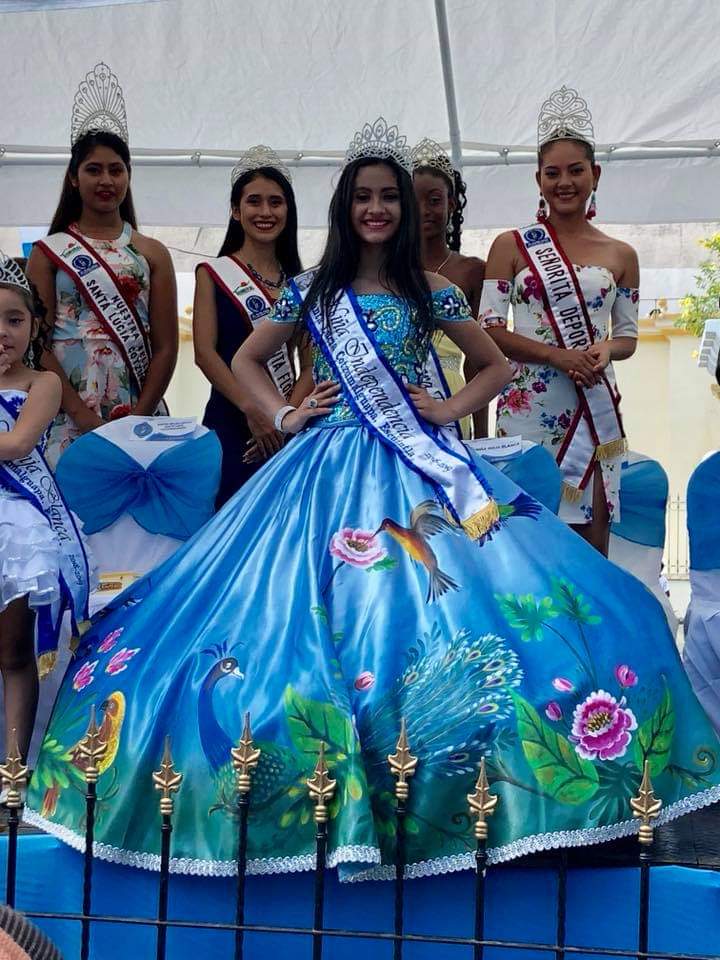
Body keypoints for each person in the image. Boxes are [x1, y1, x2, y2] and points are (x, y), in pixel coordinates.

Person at [25, 119, 720, 882]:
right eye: (364, 197)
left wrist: (447, 410)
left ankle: (454, 790)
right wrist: (284, 414)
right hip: (323, 467)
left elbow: (492, 367)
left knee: (480, 601)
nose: (378, 208)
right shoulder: (312, 290)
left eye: (390, 196)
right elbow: (247, 358)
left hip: (417, 465)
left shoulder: (433, 291)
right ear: (345, 207)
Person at [479, 86, 639, 555]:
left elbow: (627, 337)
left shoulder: (621, 254)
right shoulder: (511, 245)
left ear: (595, 174)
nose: (564, 182)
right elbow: (490, 330)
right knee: (524, 541)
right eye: (553, 173)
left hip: (593, 405)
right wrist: (557, 356)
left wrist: (605, 349)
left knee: (590, 540)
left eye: (575, 170)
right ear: (538, 179)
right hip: (528, 405)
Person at [27, 63, 177, 468]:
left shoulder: (152, 252)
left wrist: (138, 418)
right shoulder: (48, 252)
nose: (106, 180)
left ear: (129, 175)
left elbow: (166, 346)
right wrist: (80, 414)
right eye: (93, 170)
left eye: (116, 169)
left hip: (138, 404)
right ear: (74, 178)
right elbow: (38, 343)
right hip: (65, 407)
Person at [0, 253, 93, 761]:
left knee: (13, 653)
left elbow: (17, 445)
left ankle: (13, 773)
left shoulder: (43, 382)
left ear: (34, 327)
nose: (3, 332)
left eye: (14, 320)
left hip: (17, 524)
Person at [193, 146, 303, 507]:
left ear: (288, 211)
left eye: (276, 202)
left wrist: (285, 417)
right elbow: (205, 353)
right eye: (254, 202)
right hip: (230, 417)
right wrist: (252, 409)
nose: (265, 212)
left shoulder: (301, 283)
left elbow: (312, 362)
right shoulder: (213, 274)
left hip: (288, 422)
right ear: (236, 211)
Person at [412, 138, 487, 437]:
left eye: (434, 200)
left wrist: (482, 434)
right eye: (413, 201)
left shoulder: (472, 270)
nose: (424, 210)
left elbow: (480, 362)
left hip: (453, 399)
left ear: (451, 204)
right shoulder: (383, 272)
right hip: (400, 397)